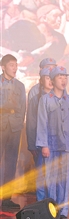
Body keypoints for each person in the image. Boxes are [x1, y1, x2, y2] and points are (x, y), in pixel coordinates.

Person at [36, 66, 69, 219]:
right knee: (51, 177)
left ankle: (63, 212)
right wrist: (43, 145)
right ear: (52, 80)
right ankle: (52, 209)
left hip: (67, 145)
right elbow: (41, 123)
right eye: (60, 77)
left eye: (65, 77)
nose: (63, 80)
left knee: (64, 178)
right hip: (51, 144)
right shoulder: (45, 100)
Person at [0, 54, 26, 209]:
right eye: (11, 65)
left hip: (14, 127)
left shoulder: (20, 86)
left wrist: (17, 122)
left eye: (16, 65)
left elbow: (22, 107)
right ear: (3, 67)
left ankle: (7, 200)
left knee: (11, 163)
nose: (15, 68)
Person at [26, 67, 53, 202]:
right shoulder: (35, 99)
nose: (50, 81)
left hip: (55, 143)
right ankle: (42, 203)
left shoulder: (61, 97)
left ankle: (54, 204)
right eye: (47, 78)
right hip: (40, 142)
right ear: (41, 80)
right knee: (41, 174)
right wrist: (31, 144)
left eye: (51, 77)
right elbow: (31, 123)